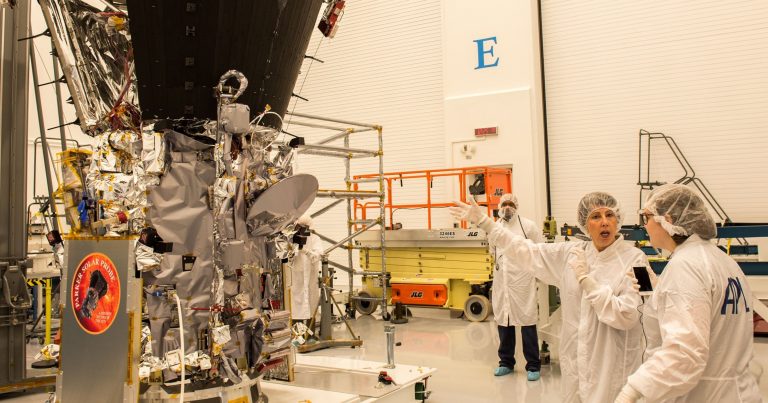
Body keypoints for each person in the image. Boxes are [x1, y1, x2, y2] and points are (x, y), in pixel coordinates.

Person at [451, 192, 650, 402]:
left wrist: (587, 281)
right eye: (595, 216)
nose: (604, 222)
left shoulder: (638, 260)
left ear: (618, 219)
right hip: (575, 368)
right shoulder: (571, 254)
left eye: (609, 215)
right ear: (585, 223)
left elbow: (629, 315)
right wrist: (486, 223)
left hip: (614, 371)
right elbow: (526, 250)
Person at [615, 184, 762, 403]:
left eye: (647, 217)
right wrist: (660, 293)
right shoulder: (721, 260)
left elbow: (685, 353)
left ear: (667, 220)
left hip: (704, 395)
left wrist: (632, 391)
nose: (644, 226)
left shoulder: (685, 266)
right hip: (736, 392)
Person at [490, 194, 545, 381]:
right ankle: (506, 362)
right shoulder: (495, 227)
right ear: (499, 206)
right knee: (504, 321)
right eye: (504, 204)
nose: (507, 207)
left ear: (516, 206)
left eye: (511, 204)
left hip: (522, 281)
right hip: (502, 280)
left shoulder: (528, 226)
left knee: (527, 321)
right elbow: (492, 250)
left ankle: (533, 365)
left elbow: (539, 250)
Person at [290, 215, 322, 322]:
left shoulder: (315, 239)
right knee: (296, 306)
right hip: (297, 278)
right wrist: (294, 248)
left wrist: (305, 250)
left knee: (311, 306)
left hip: (310, 279)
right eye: (298, 227)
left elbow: (317, 256)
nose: (300, 230)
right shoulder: (292, 239)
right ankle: (297, 330)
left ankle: (310, 330)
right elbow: (287, 258)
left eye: (302, 228)